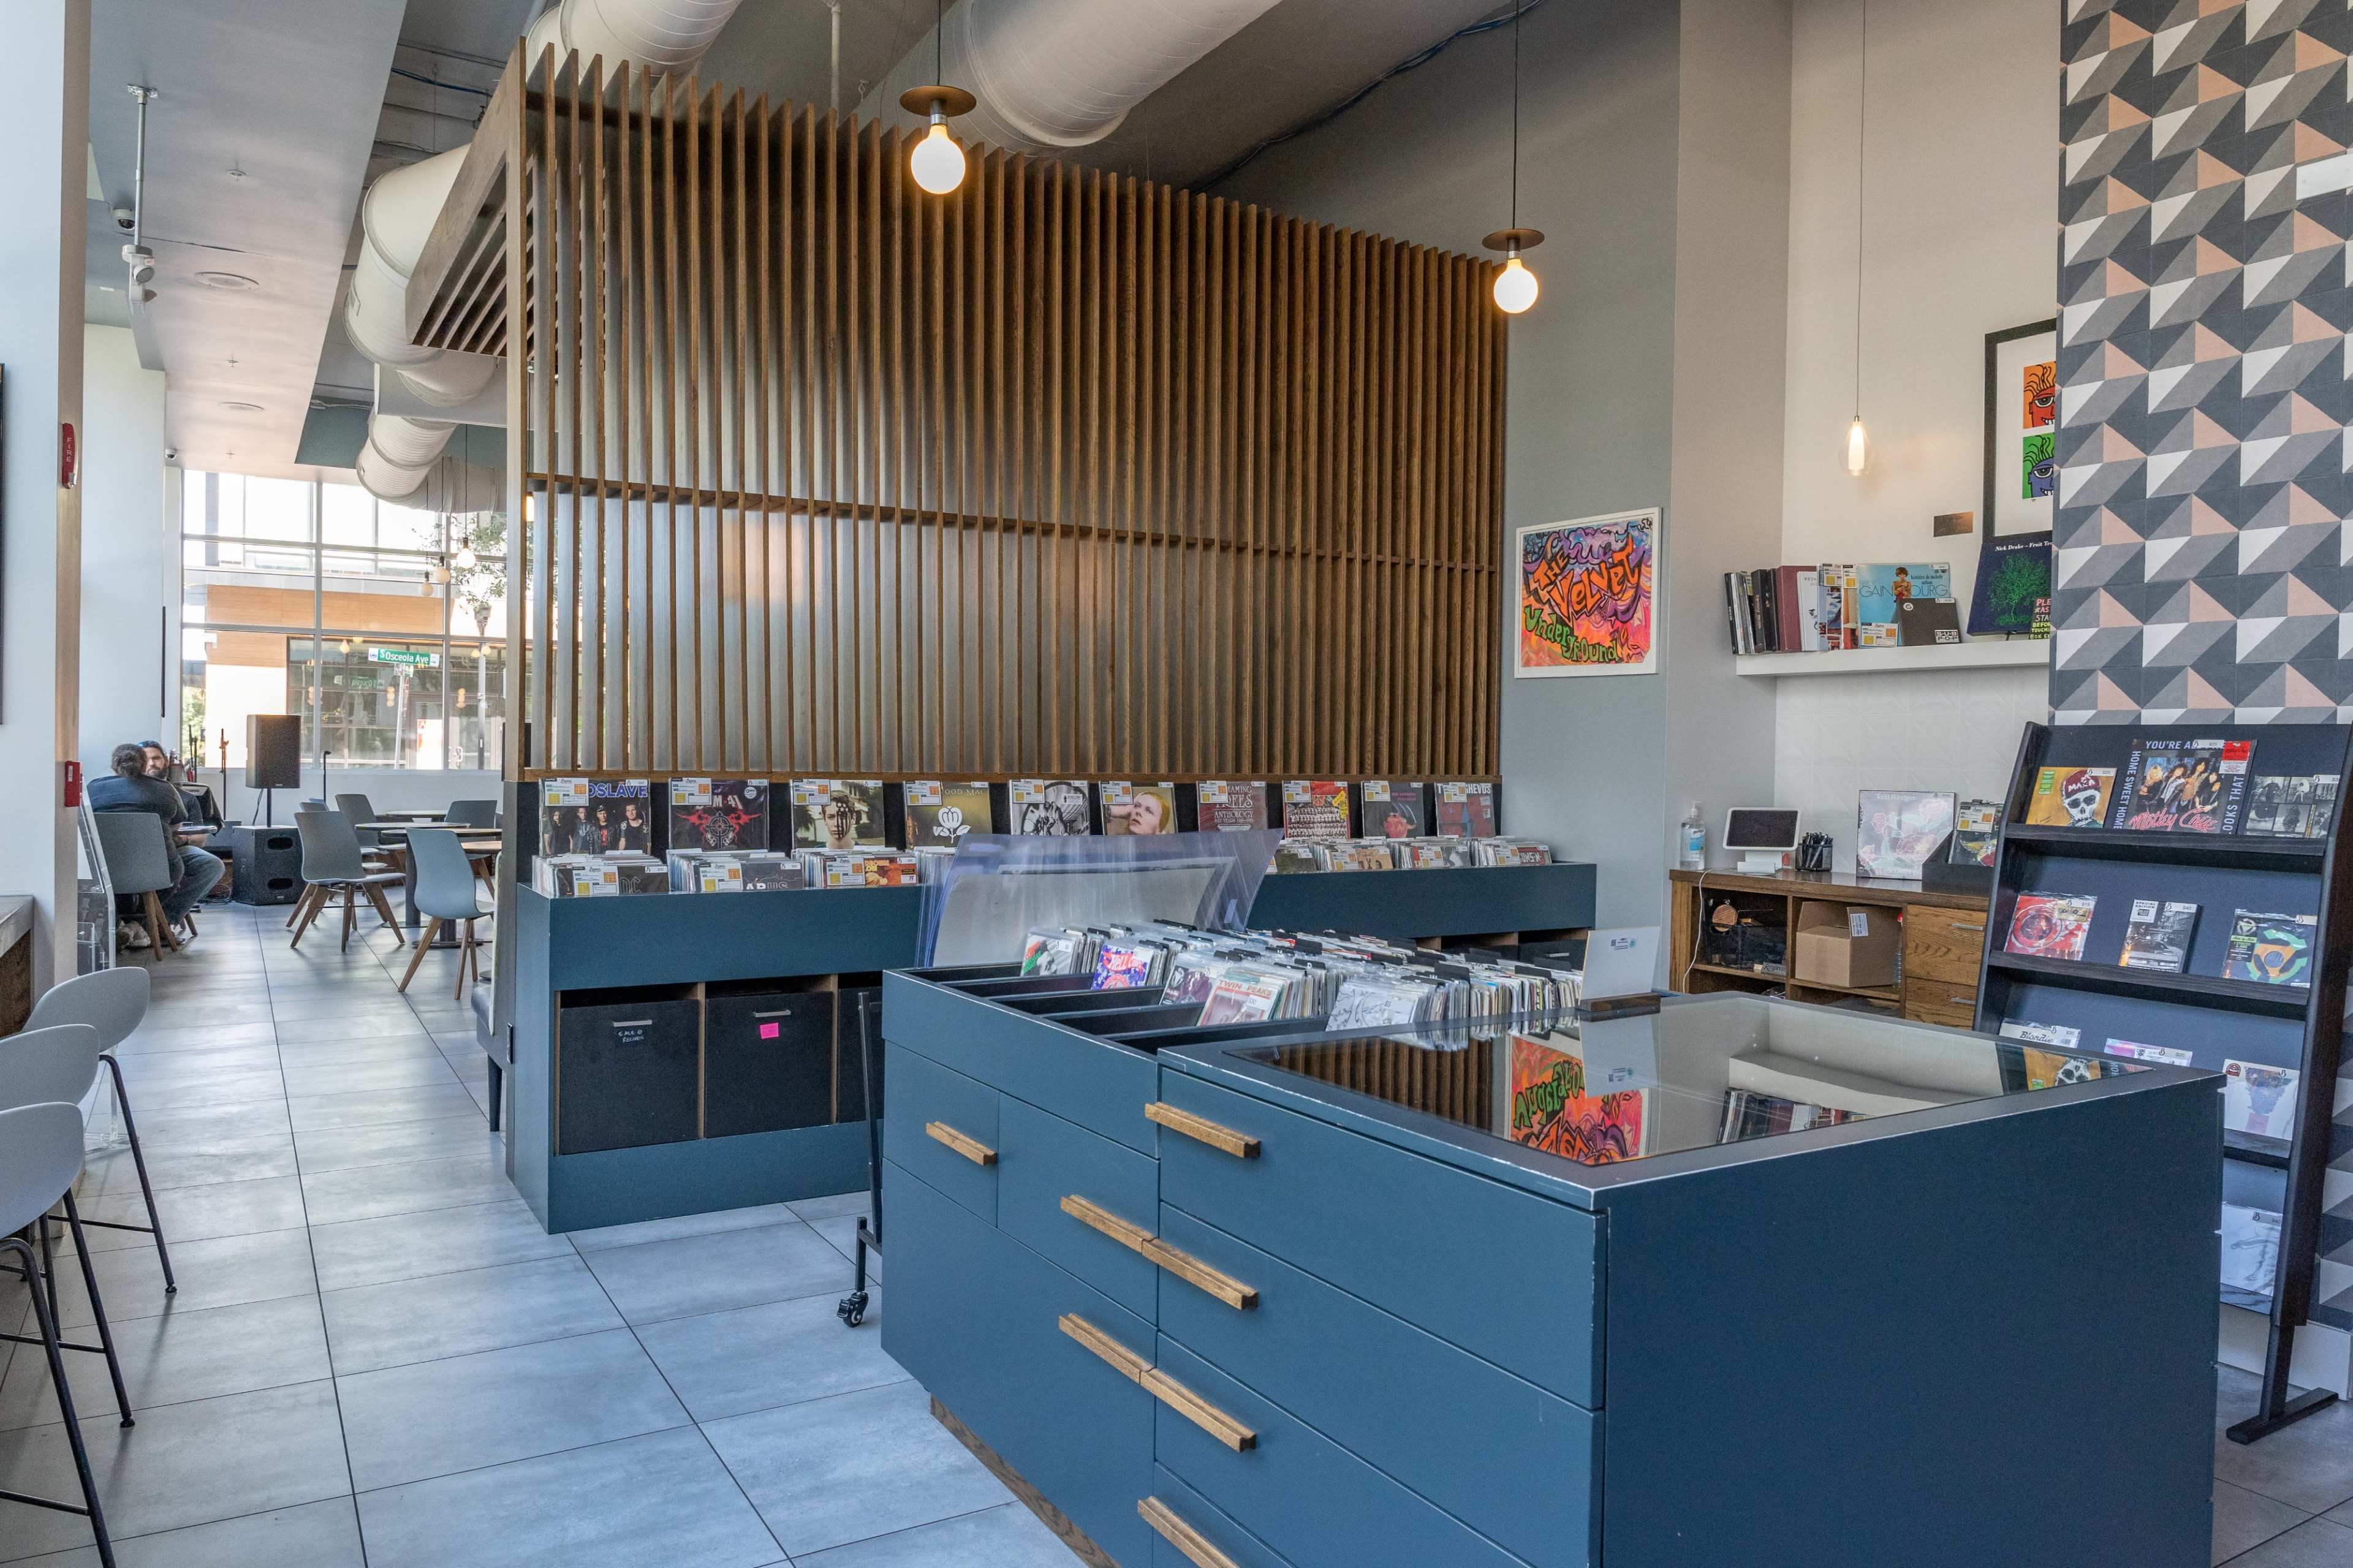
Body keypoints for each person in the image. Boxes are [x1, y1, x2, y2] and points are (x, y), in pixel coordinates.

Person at [89, 741, 223, 947]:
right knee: (176, 870)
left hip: (107, 868)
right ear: (143, 764)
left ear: (114, 765)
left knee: (208, 864)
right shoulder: (165, 790)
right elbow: (176, 825)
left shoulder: (93, 788)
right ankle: (140, 925)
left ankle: (133, 926)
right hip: (160, 867)